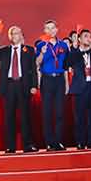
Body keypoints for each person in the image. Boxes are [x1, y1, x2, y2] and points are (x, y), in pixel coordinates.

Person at [0, 24, 37, 152]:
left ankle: (27, 145)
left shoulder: (29, 50)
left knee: (25, 117)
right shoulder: (4, 51)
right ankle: (10, 146)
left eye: (17, 33)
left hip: (23, 85)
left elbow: (33, 69)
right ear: (10, 36)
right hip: (9, 86)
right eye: (13, 33)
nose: (15, 35)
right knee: (9, 117)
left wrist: (34, 85)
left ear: (21, 35)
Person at [33, 20, 70, 150]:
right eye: (47, 28)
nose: (50, 30)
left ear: (56, 29)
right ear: (45, 31)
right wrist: (42, 53)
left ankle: (58, 141)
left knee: (60, 112)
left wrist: (67, 83)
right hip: (47, 80)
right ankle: (49, 142)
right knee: (47, 112)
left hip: (59, 80)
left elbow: (66, 66)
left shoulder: (63, 45)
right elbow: (36, 63)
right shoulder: (41, 45)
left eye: (52, 28)